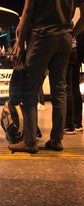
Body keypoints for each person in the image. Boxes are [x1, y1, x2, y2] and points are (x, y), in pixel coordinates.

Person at [8, 0, 84, 154]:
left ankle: (29, 142)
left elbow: (27, 12)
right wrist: (71, 34)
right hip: (65, 39)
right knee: (59, 90)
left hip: (42, 37)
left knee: (29, 89)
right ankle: (56, 139)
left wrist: (20, 41)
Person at [64, 32, 83, 134]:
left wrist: (72, 35)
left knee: (67, 86)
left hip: (70, 44)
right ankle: (77, 122)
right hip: (76, 45)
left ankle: (69, 123)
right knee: (74, 85)